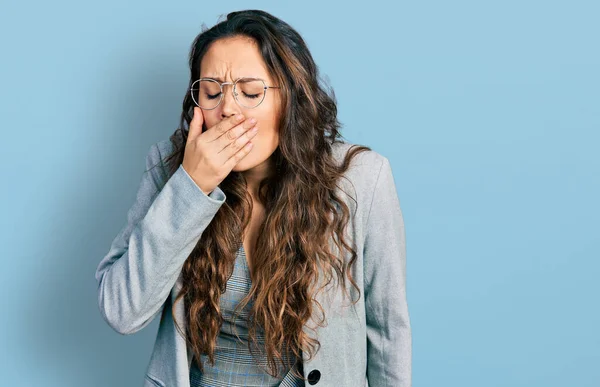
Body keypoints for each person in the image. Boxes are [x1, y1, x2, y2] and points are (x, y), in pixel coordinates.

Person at [94, 9, 411, 387]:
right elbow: (122, 311)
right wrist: (192, 186)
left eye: (249, 92)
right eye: (212, 92)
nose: (227, 108)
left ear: (291, 98)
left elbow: (388, 331)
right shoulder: (171, 170)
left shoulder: (362, 178)